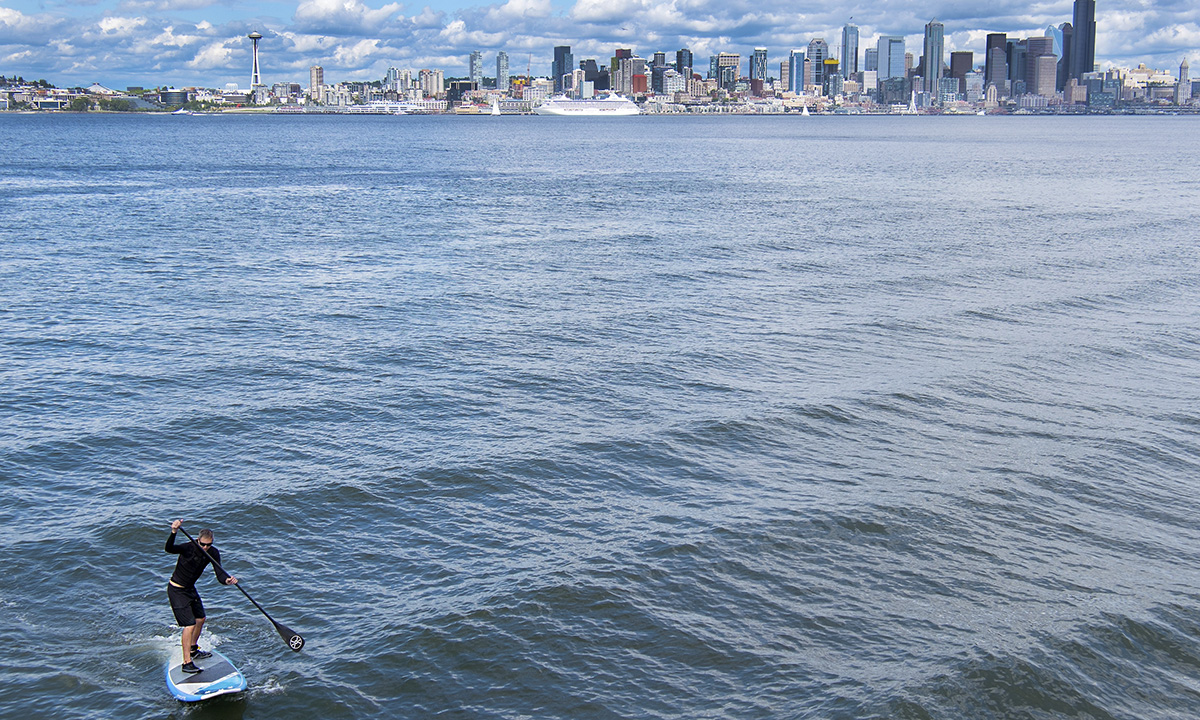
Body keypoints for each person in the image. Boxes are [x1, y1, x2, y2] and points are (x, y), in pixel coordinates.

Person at [165, 519, 237, 673]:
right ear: (198, 540)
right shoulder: (188, 547)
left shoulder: (213, 553)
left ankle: (192, 649)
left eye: (208, 545)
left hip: (190, 589)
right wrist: (174, 532)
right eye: (203, 544)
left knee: (200, 619)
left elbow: (219, 573)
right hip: (177, 590)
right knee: (189, 624)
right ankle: (186, 663)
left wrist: (227, 580)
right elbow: (169, 548)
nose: (205, 547)